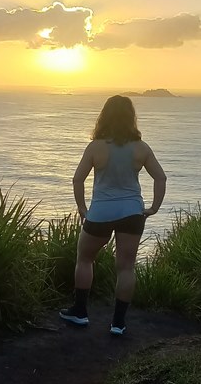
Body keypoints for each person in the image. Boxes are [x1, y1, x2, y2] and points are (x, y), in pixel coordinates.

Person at [59, 94, 167, 335]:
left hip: (100, 212)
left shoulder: (96, 147)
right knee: (126, 267)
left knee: (85, 259)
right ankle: (118, 323)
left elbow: (78, 179)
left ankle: (80, 313)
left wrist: (82, 208)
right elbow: (160, 178)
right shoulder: (141, 148)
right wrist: (153, 208)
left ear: (104, 116)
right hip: (132, 212)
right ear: (131, 118)